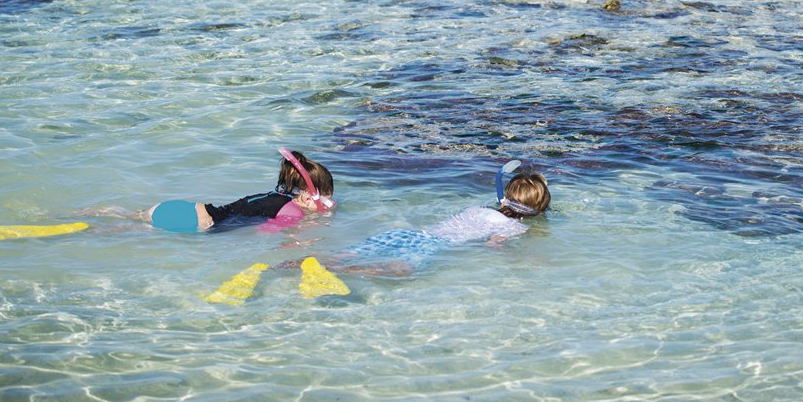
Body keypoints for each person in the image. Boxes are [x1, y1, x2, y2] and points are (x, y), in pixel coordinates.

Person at [292, 161, 549, 281]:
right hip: (430, 245)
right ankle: (336, 272)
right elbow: (495, 244)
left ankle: (287, 266)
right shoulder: (516, 226)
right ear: (537, 211)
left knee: (345, 252)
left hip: (408, 233)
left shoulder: (479, 208)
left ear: (503, 199)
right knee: (402, 271)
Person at [144, 147, 335, 233]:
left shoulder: (279, 196)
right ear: (311, 196)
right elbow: (265, 231)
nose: (328, 206)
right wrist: (304, 229)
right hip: (200, 221)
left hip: (189, 209)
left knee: (129, 220)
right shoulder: (293, 212)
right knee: (128, 230)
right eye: (327, 201)